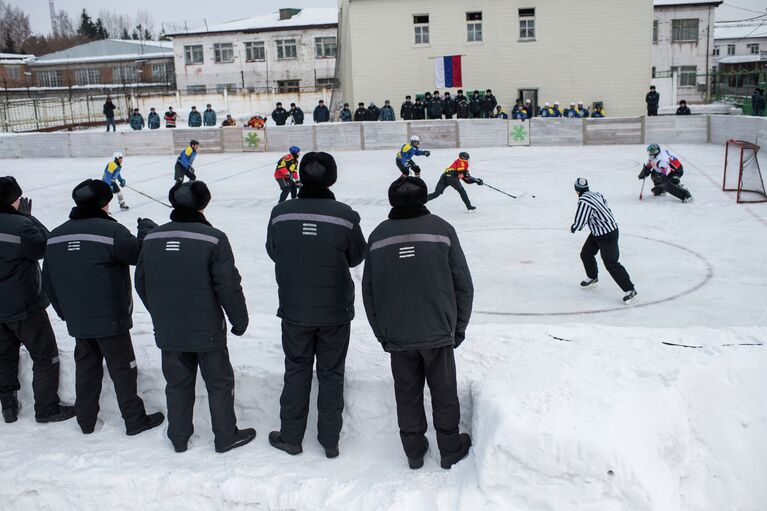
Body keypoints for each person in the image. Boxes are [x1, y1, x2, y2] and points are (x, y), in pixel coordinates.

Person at [362, 177, 474, 470]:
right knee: (444, 391)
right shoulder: (442, 229)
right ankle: (449, 447)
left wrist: (382, 333)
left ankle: (414, 450)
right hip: (437, 330)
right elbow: (463, 283)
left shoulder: (377, 236)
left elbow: (369, 292)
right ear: (424, 198)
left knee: (407, 392)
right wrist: (457, 327)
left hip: (398, 334)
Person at [135, 181, 255, 453]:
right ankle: (225, 436)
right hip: (207, 328)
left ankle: (178, 437)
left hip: (169, 328)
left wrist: (160, 312)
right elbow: (228, 284)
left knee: (177, 383)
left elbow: (141, 282)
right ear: (203, 205)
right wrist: (239, 319)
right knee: (219, 382)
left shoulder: (152, 238)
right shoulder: (213, 237)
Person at [42, 179, 164, 436]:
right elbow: (139, 254)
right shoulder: (112, 232)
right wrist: (146, 231)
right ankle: (134, 420)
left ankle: (85, 421)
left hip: (78, 320)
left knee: (86, 368)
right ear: (105, 203)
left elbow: (48, 282)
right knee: (123, 369)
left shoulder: (55, 236)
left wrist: (66, 314)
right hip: (111, 318)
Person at [265, 152, 366, 458]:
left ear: (300, 178)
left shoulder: (280, 213)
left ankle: (291, 437)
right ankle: (330, 441)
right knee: (331, 373)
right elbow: (356, 257)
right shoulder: (345, 215)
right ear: (332, 179)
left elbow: (273, 250)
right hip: (335, 310)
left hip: (295, 308)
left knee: (296, 369)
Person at [0, 177, 74, 425]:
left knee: (3, 356)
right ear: (14, 201)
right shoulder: (21, 226)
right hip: (24, 305)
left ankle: (8, 407)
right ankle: (46, 408)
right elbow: (48, 244)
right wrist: (29, 218)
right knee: (45, 355)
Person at [571, 178, 637, 304]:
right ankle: (592, 277)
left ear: (577, 190)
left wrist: (575, 227)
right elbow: (606, 207)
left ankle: (630, 290)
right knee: (586, 253)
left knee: (611, 263)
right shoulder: (597, 194)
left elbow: (581, 219)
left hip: (607, 234)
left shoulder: (583, 200)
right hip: (600, 231)